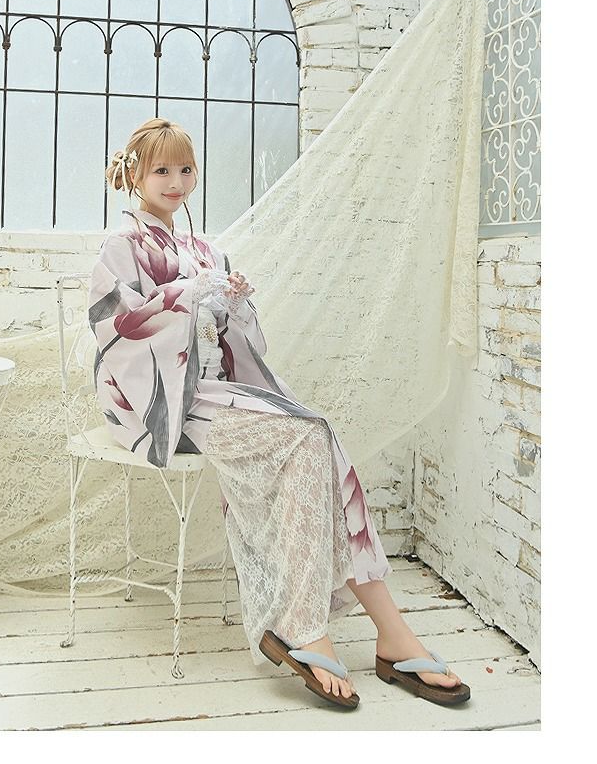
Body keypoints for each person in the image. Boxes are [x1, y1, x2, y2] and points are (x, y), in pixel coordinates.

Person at [88, 117, 469, 709]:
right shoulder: (121, 246)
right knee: (308, 436)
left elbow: (239, 343)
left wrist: (235, 303)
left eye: (185, 168)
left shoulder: (205, 250)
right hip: (163, 400)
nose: (176, 181)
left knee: (319, 437)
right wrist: (187, 295)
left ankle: (383, 630)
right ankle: (317, 626)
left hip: (215, 387)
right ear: (134, 174)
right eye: (161, 170)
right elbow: (116, 327)